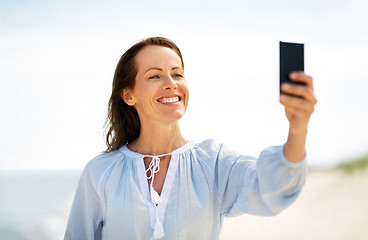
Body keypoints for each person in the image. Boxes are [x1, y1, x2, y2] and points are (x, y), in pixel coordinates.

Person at [64, 37, 317, 240]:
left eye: (177, 73)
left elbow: (271, 189)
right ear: (129, 95)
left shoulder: (214, 162)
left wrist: (298, 128)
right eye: (154, 76)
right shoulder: (100, 172)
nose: (171, 83)